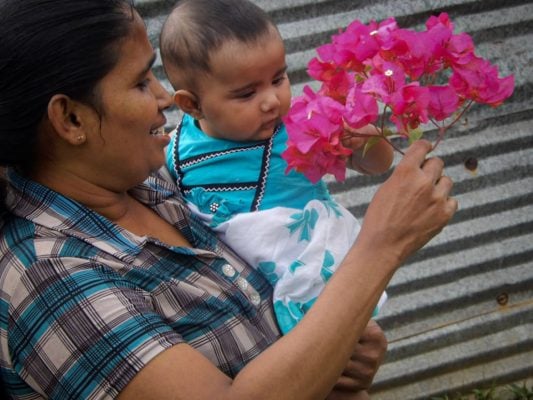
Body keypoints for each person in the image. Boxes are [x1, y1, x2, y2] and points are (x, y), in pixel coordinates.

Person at [0, 1, 457, 399]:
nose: (164, 98)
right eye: (141, 83)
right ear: (70, 118)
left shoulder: (152, 182)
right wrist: (381, 246)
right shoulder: (52, 279)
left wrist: (340, 343)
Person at [160, 0, 394, 340]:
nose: (271, 100)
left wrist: (365, 140)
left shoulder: (303, 126)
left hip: (316, 278)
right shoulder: (176, 149)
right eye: (246, 93)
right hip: (246, 307)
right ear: (192, 104)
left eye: (278, 78)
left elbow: (375, 164)